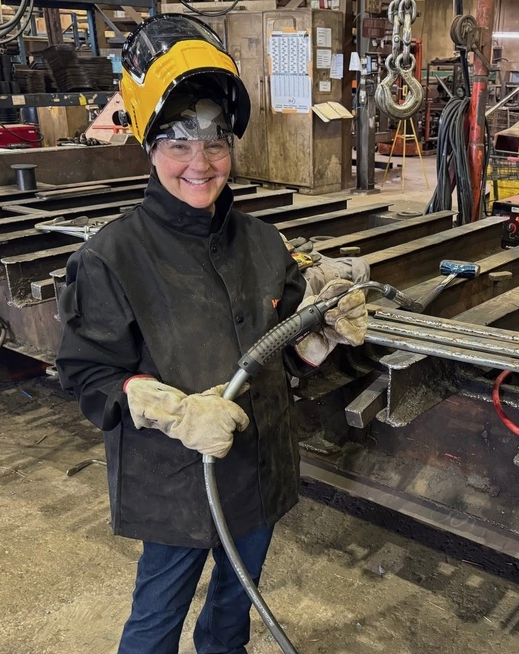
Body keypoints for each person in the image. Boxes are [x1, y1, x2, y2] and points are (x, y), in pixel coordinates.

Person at [55, 14, 367, 654]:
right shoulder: (111, 257)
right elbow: (87, 375)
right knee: (155, 618)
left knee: (236, 604)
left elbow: (283, 343)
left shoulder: (260, 240)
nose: (200, 163)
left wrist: (320, 333)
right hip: (178, 478)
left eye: (216, 142)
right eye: (177, 142)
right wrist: (165, 407)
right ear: (149, 147)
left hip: (261, 468)